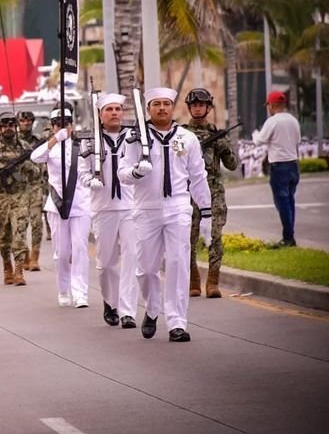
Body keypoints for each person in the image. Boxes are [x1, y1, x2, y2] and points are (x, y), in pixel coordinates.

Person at [118, 87, 211, 343]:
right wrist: (136, 172)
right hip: (146, 209)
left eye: (166, 104)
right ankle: (151, 308)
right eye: (156, 104)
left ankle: (177, 323)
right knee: (146, 270)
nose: (161, 108)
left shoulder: (187, 138)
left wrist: (206, 211)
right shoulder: (135, 138)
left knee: (178, 265)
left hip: (178, 208)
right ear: (148, 109)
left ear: (173, 108)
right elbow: (122, 173)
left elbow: (198, 176)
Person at [80, 94, 139, 327]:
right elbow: (83, 172)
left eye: (118, 109)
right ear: (100, 114)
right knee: (105, 262)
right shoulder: (90, 140)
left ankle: (127, 311)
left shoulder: (134, 139)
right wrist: (89, 181)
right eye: (109, 109)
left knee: (132, 258)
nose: (115, 113)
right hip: (103, 207)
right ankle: (110, 301)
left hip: (130, 205)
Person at [31, 106, 92, 308]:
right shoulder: (50, 147)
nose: (62, 127)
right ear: (52, 126)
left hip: (80, 203)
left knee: (80, 249)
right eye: (58, 124)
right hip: (57, 205)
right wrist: (56, 138)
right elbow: (35, 157)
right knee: (62, 252)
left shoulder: (81, 144)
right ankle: (63, 289)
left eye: (66, 123)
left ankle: (80, 292)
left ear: (71, 124)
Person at [183, 88, 239, 298]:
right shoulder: (181, 134)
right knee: (187, 237)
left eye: (201, 105)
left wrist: (224, 146)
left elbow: (232, 165)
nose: (198, 108)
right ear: (189, 108)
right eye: (194, 105)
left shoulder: (217, 134)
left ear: (208, 107)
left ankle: (213, 282)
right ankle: (193, 281)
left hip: (213, 192)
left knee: (215, 236)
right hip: (188, 192)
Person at [0, 112, 41, 286]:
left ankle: (19, 270)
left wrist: (29, 167)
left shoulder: (26, 148)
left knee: (20, 233)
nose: (8, 129)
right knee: (4, 237)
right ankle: (7, 267)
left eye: (11, 125)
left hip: (21, 196)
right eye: (4, 126)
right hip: (1, 198)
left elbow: (38, 173)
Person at [252, 91, 301, 247]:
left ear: (271, 106)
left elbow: (259, 141)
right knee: (290, 201)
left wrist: (255, 134)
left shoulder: (272, 121)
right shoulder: (294, 121)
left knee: (282, 203)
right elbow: (297, 140)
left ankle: (288, 238)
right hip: (293, 165)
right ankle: (289, 235)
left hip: (279, 166)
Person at [18, 111, 45, 271]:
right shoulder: (13, 142)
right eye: (22, 120)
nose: (26, 123)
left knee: (36, 222)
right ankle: (26, 254)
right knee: (20, 223)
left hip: (35, 185)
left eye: (29, 120)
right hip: (18, 188)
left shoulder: (38, 142)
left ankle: (35, 257)